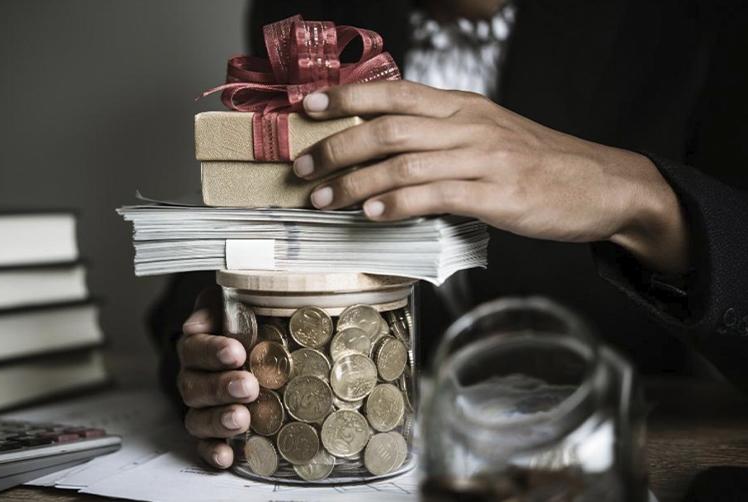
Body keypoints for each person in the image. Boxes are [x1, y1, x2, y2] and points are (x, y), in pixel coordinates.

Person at [148, 0, 748, 469]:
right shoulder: (307, 20)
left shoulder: (694, 21)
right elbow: (236, 231)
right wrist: (217, 348)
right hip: (356, 452)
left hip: (608, 443)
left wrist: (642, 197)